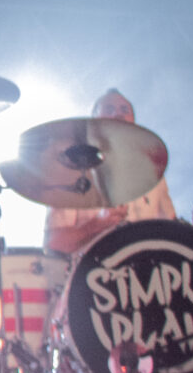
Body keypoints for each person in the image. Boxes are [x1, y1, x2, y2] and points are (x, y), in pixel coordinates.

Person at [44, 88, 178, 259]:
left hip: (149, 271)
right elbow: (54, 244)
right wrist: (98, 224)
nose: (118, 114)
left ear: (134, 123)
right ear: (94, 122)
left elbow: (175, 235)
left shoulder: (153, 175)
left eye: (124, 110)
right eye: (109, 109)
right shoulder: (70, 172)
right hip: (90, 272)